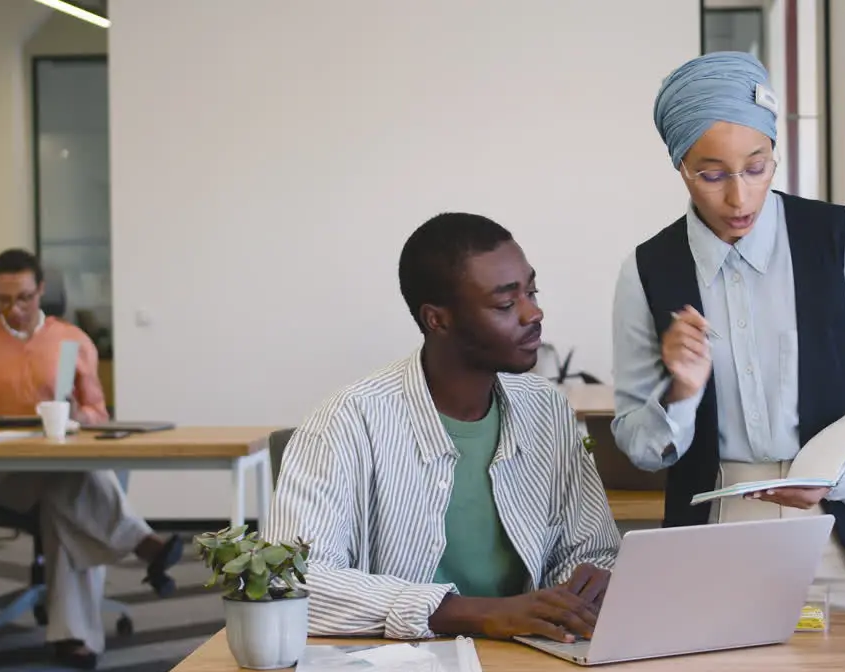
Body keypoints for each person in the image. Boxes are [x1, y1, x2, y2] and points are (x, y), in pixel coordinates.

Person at [609, 52, 845, 611]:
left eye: (757, 167)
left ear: (774, 154)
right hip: (715, 534)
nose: (739, 198)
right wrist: (682, 391)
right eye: (711, 175)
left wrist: (831, 479)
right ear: (681, 167)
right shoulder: (647, 270)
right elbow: (642, 447)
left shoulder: (840, 240)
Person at [263, 212, 620, 642]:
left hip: (531, 660)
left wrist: (580, 589)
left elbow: (591, 547)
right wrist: (475, 614)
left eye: (531, 290)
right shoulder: (348, 420)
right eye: (506, 304)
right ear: (438, 320)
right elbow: (290, 580)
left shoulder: (546, 409)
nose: (533, 312)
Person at [0, 248, 183, 669]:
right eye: (2, 301)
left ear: (42, 291)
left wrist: (75, 417)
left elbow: (97, 414)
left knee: (64, 491)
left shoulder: (70, 341)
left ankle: (74, 640)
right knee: (75, 483)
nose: (13, 310)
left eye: (24, 298)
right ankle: (138, 541)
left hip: (57, 466)